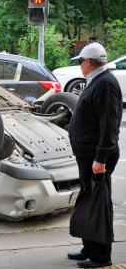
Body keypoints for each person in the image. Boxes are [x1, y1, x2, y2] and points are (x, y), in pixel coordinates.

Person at [67, 42, 122, 268]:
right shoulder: (97, 81)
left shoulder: (106, 84)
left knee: (99, 204)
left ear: (88, 62)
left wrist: (100, 159)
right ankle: (89, 247)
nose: (80, 66)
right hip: (88, 156)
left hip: (96, 158)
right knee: (90, 201)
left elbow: (109, 125)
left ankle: (101, 255)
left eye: (80, 61)